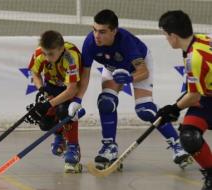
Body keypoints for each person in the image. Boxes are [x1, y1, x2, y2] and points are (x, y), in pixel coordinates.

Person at [68, 9, 190, 170]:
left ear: (114, 31)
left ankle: (177, 143)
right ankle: (109, 147)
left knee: (145, 110)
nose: (97, 35)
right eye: (95, 30)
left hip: (137, 68)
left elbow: (143, 71)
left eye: (102, 32)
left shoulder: (126, 41)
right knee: (105, 102)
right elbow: (85, 74)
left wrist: (130, 78)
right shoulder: (90, 42)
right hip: (113, 68)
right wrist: (77, 100)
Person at [157, 10, 212, 190]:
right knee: (189, 135)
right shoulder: (200, 40)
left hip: (205, 96)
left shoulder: (193, 58)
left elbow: (194, 96)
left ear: (173, 36)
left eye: (165, 35)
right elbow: (195, 90)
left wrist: (173, 108)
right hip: (208, 96)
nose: (166, 39)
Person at [25, 30, 82, 173]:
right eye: (45, 53)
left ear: (61, 49)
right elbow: (35, 74)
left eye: (50, 54)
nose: (46, 57)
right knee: (45, 123)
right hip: (50, 86)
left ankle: (73, 147)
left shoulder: (71, 57)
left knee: (65, 112)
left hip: (69, 88)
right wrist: (41, 91)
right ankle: (59, 136)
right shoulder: (40, 53)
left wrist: (49, 104)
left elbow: (71, 90)